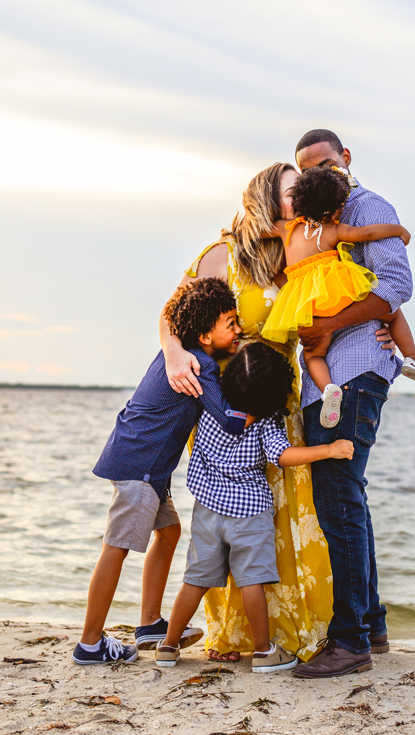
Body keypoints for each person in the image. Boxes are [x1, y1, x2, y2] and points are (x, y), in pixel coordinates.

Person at [160, 163, 335, 663]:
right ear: (264, 196)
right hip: (226, 404)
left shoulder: (299, 250)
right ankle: (237, 635)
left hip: (278, 401)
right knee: (226, 514)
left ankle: (286, 631)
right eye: (289, 191)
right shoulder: (221, 256)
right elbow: (173, 312)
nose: (298, 197)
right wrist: (174, 355)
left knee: (281, 520)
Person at [73, 278, 248, 665]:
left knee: (168, 532)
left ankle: (150, 623)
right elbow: (231, 420)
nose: (239, 330)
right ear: (205, 334)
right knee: (115, 549)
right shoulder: (199, 364)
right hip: (141, 465)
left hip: (145, 464)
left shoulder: (179, 352)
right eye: (231, 323)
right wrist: (266, 402)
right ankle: (89, 644)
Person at [290, 129, 412, 679]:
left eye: (325, 161)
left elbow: (396, 284)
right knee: (347, 497)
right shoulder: (314, 222)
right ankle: (373, 626)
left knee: (338, 494)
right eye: (308, 166)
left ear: (345, 159)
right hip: (327, 380)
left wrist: (326, 328)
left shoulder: (367, 206)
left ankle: (350, 641)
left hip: (357, 370)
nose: (321, 171)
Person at [154, 343, 354, 673]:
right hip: (250, 514)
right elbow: (284, 456)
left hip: (207, 511)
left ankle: (168, 646)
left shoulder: (210, 409)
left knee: (195, 580)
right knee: (252, 581)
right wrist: (328, 449)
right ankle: (263, 652)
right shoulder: (265, 424)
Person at [260, 165, 415, 428]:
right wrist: (399, 230)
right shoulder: (334, 230)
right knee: (393, 312)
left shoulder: (287, 229)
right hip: (337, 291)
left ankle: (328, 387)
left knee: (313, 355)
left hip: (306, 303)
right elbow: (367, 234)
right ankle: (413, 359)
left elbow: (260, 229)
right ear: (337, 209)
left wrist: (238, 229)